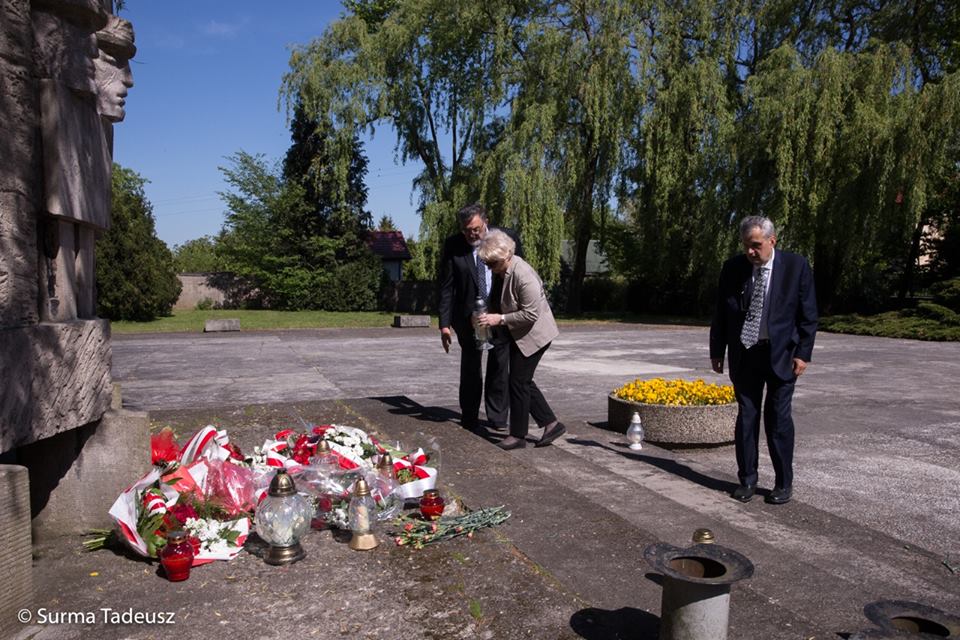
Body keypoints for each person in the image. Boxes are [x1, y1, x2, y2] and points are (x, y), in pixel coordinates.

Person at [710, 216, 818, 505]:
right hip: (745, 353)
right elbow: (721, 312)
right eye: (746, 245)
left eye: (756, 245)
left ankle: (783, 483)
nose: (750, 252)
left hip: (782, 355)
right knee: (747, 417)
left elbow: (808, 315)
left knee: (778, 418)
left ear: (772, 241)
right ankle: (747, 480)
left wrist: (803, 353)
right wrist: (717, 350)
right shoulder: (733, 268)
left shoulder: (796, 266)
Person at [475, 230, 566, 450]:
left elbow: (531, 314)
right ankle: (551, 424)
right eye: (487, 264)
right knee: (521, 381)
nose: (490, 268)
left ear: (506, 255)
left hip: (535, 335)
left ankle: (518, 435)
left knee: (518, 382)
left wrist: (500, 319)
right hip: (520, 333)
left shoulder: (523, 275)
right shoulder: (503, 270)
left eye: (493, 264)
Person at [437, 204, 522, 433]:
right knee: (471, 368)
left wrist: (516, 314)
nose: (471, 234)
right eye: (466, 231)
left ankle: (497, 418)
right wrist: (444, 325)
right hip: (467, 317)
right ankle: (469, 417)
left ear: (486, 221)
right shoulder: (453, 245)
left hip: (499, 313)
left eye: (475, 229)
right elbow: (446, 287)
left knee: (499, 367)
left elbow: (518, 275)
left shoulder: (507, 238)